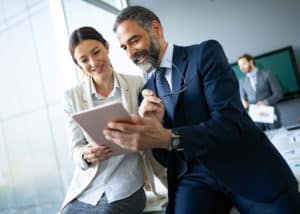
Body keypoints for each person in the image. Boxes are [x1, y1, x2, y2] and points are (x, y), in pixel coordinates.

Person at [103, 6, 300, 214]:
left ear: (156, 29)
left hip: (246, 165)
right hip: (195, 178)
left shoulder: (205, 53)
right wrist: (153, 131)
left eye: (134, 41)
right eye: (124, 47)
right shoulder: (147, 91)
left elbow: (230, 123)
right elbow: (165, 157)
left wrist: (169, 137)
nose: (131, 53)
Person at [60, 26, 166, 214]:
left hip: (126, 185)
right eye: (84, 60)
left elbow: (153, 130)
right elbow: (76, 149)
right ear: (78, 65)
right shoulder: (72, 97)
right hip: (89, 189)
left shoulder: (137, 84)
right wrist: (86, 155)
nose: (93, 62)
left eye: (96, 52)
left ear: (107, 47)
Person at [237, 54, 283, 131]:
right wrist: (243, 103)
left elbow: (278, 94)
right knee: (259, 142)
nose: (241, 68)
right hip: (255, 119)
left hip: (271, 115)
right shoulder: (242, 81)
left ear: (251, 62)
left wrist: (265, 102)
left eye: (243, 64)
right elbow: (243, 100)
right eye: (240, 66)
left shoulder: (267, 74)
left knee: (277, 140)